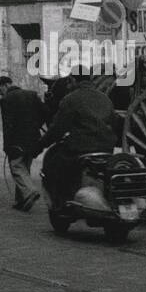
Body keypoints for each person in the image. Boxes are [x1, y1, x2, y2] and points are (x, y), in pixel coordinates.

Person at [38, 66, 116, 206]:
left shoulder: (71, 99)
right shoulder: (105, 99)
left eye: (70, 81)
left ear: (73, 80)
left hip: (82, 148)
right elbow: (113, 122)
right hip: (106, 148)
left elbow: (58, 128)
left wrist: (41, 144)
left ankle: (62, 202)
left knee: (54, 163)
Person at [0, 75, 44, 212]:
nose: (0, 93)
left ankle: (30, 191)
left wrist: (7, 146)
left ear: (6, 85)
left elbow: (7, 125)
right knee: (24, 168)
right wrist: (35, 126)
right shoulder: (32, 95)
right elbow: (43, 113)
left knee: (16, 167)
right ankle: (20, 200)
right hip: (33, 138)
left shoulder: (6, 100)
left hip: (17, 140)